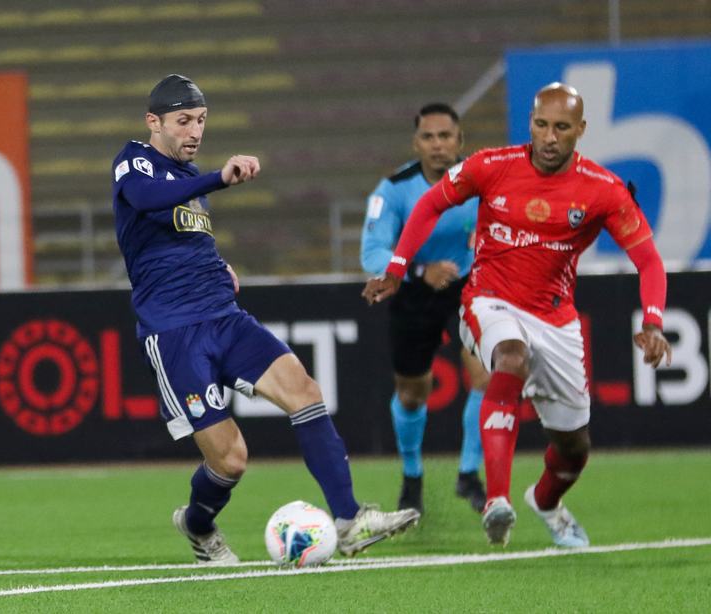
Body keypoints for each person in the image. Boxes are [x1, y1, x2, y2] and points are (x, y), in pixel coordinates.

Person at [112, 74, 419, 564]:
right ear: (154, 122)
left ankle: (349, 520)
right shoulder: (135, 161)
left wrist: (218, 265)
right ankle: (197, 524)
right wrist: (219, 178)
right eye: (183, 121)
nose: (195, 131)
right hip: (174, 333)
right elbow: (146, 199)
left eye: (201, 120)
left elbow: (183, 240)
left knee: (304, 390)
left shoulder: (190, 181)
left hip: (225, 317)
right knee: (231, 460)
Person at [362, 83, 672, 548]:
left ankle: (546, 501)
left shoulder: (603, 190)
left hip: (555, 318)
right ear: (531, 122)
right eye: (541, 125)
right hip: (489, 298)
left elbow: (648, 259)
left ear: (581, 130)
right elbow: (430, 204)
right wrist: (397, 268)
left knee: (573, 450)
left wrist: (652, 322)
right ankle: (496, 500)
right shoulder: (491, 166)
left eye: (561, 127)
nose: (549, 137)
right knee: (509, 358)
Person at [360, 103, 487, 514]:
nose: (437, 145)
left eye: (445, 136)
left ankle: (469, 473)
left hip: (467, 286)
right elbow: (371, 251)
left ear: (460, 141)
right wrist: (418, 270)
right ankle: (412, 475)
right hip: (413, 290)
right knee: (412, 394)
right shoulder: (394, 190)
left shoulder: (481, 182)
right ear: (416, 144)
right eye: (428, 137)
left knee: (486, 375)